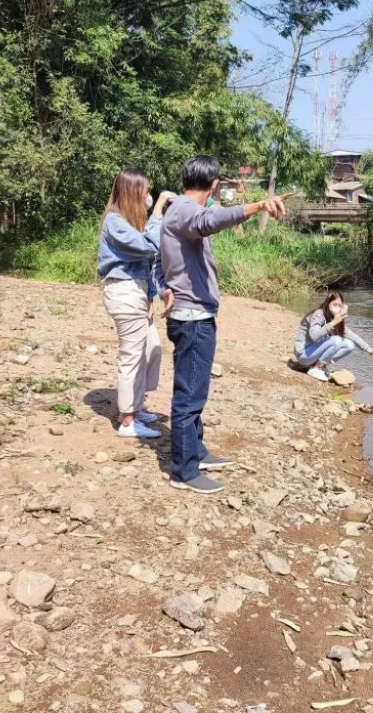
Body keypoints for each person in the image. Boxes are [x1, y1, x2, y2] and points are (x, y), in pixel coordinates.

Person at [154, 155, 289, 494]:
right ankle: (183, 472)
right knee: (189, 395)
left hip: (193, 314)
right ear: (214, 185)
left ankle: (195, 452)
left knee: (196, 390)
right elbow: (210, 221)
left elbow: (158, 259)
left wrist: (162, 288)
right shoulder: (186, 210)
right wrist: (258, 205)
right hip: (193, 318)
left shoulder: (179, 210)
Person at [97, 169, 174, 438]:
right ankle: (128, 421)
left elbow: (146, 263)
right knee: (132, 355)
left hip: (137, 292)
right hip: (123, 291)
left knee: (151, 348)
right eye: (146, 191)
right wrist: (159, 211)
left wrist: (153, 295)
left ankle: (136, 407)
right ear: (132, 192)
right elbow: (148, 247)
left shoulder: (130, 222)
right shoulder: (115, 222)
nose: (149, 196)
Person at [293, 291, 373, 381]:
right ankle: (316, 368)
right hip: (303, 354)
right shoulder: (318, 314)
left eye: (340, 306)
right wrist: (333, 323)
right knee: (336, 340)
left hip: (312, 354)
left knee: (349, 345)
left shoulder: (333, 317)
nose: (337, 308)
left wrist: (372, 352)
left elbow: (351, 335)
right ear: (327, 304)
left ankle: (321, 365)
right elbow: (314, 336)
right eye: (334, 304)